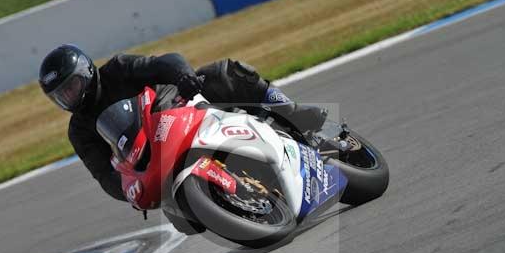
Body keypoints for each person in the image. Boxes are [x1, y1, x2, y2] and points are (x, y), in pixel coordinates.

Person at [38, 44, 326, 202]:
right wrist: (128, 190)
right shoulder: (79, 130)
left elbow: (163, 63)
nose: (69, 96)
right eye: (61, 95)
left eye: (71, 86)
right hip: (151, 160)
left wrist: (183, 76)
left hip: (180, 109)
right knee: (182, 221)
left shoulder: (117, 68)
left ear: (86, 71)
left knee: (223, 73)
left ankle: (292, 113)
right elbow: (103, 174)